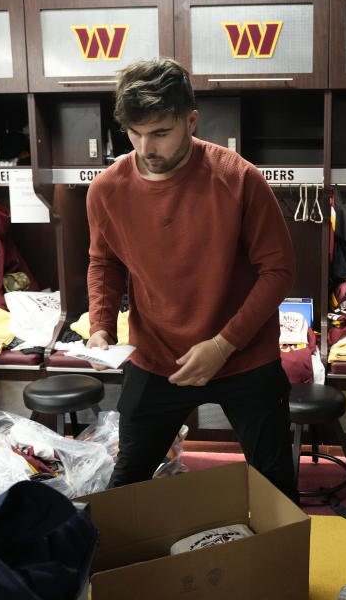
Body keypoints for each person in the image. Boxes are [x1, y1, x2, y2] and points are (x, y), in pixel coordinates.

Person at [85, 57, 298, 501]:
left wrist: (224, 344)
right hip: (156, 356)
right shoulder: (106, 189)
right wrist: (100, 326)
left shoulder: (238, 178)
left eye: (160, 132)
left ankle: (280, 569)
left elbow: (279, 271)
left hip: (244, 356)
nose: (146, 148)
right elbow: (104, 263)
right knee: (125, 487)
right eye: (135, 133)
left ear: (191, 120)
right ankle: (117, 571)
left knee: (275, 486)